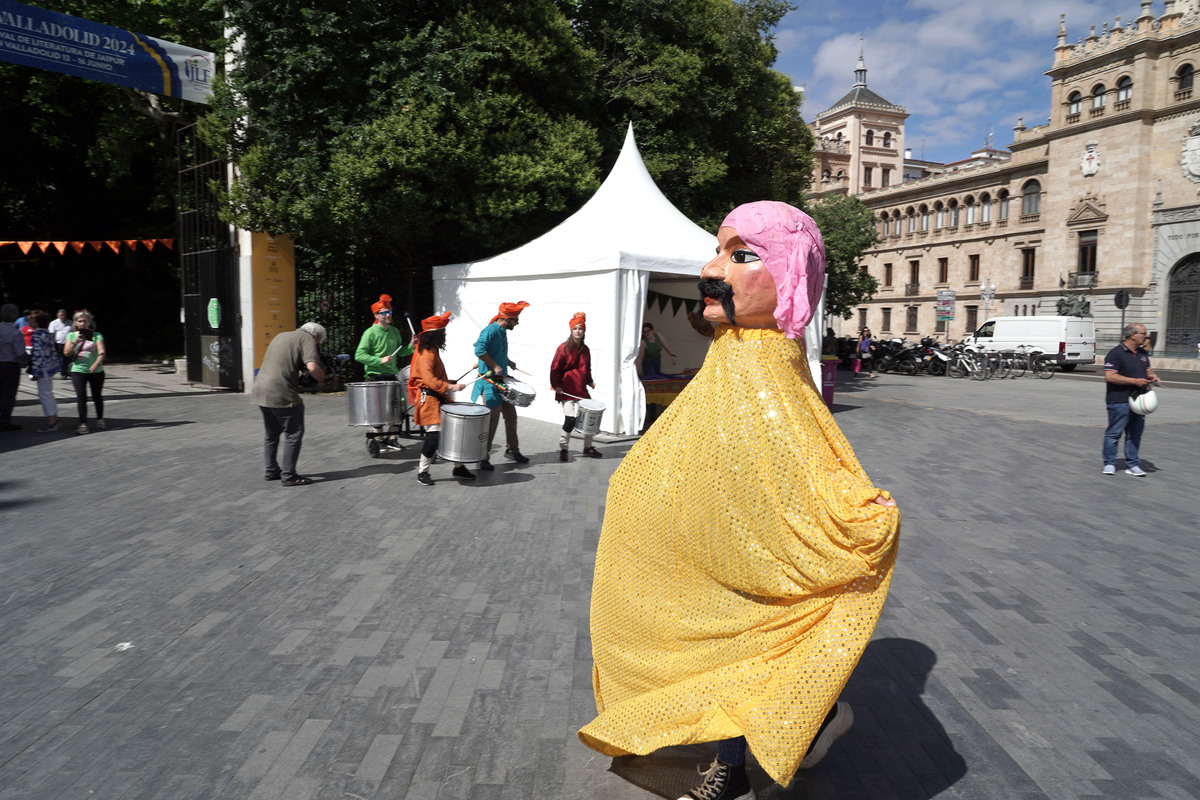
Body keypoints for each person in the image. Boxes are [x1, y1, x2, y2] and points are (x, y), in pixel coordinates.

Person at [579, 202, 900, 799]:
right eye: (718, 250)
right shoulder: (729, 358)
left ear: (793, 278)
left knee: (746, 653)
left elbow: (803, 452)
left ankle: (738, 762)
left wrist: (860, 519)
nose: (712, 269)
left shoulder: (771, 366)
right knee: (728, 658)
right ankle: (810, 723)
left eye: (741, 256)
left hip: (750, 564)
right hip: (713, 556)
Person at [251, 322, 327, 486]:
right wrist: (322, 378)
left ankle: (271, 470)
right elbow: (312, 367)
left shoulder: (281, 335)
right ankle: (289, 475)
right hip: (281, 391)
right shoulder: (307, 339)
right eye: (318, 343)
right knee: (293, 433)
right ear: (316, 336)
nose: (317, 345)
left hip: (261, 388)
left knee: (271, 433)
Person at [408, 311, 474, 486]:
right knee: (433, 436)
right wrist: (451, 386)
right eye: (442, 332)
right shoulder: (427, 354)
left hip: (437, 396)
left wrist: (447, 382)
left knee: (454, 432)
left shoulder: (432, 350)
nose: (444, 335)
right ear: (435, 335)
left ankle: (458, 467)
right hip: (429, 399)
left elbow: (434, 377)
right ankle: (422, 472)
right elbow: (429, 380)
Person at [472, 300, 530, 470]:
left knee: (511, 418)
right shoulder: (489, 331)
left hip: (503, 383)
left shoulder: (503, 331)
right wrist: (495, 366)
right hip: (490, 382)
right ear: (506, 318)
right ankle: (482, 456)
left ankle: (512, 450)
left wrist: (507, 361)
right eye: (516, 320)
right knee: (491, 421)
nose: (517, 323)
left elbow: (497, 352)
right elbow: (479, 350)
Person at [1102, 322, 1161, 477]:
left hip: (1139, 400)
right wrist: (1134, 381)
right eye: (1144, 333)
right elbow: (1110, 376)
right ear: (1133, 335)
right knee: (1114, 433)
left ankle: (1133, 464)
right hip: (1119, 399)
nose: (1146, 336)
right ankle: (1109, 463)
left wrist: (1152, 375)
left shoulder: (1142, 353)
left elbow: (1147, 369)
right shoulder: (1115, 353)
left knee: (1135, 434)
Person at [355, 294, 415, 440]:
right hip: (376, 375)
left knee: (398, 408)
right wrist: (379, 360)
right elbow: (359, 355)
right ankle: (378, 440)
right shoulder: (369, 333)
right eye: (384, 313)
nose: (388, 315)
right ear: (376, 315)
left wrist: (411, 347)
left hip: (392, 375)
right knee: (379, 411)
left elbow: (400, 352)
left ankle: (392, 439)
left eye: (389, 312)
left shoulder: (394, 331)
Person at [550, 312, 602, 461]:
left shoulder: (585, 349)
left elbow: (587, 367)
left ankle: (588, 447)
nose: (578, 331)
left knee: (591, 415)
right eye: (575, 328)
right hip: (566, 388)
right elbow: (554, 368)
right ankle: (564, 448)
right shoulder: (563, 348)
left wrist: (590, 381)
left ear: (584, 331)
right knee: (570, 419)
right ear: (571, 330)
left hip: (580, 388)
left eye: (580, 328)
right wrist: (556, 385)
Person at [63, 310, 106, 435]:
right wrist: (75, 342)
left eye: (84, 321)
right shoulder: (71, 336)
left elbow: (102, 352)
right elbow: (66, 353)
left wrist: (96, 363)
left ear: (89, 322)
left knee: (96, 396)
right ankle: (83, 424)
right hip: (78, 370)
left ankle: (100, 418)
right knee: (81, 397)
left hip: (96, 370)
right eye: (79, 321)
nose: (82, 323)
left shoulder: (97, 335)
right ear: (76, 323)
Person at [26, 310, 61, 432]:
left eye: (31, 319)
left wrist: (34, 372)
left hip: (43, 370)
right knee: (49, 395)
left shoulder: (37, 335)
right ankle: (54, 419)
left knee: (45, 396)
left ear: (37, 322)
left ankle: (51, 422)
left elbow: (38, 355)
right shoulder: (47, 334)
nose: (29, 321)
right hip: (50, 368)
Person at [0, 303, 24, 432]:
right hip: (9, 366)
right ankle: (4, 421)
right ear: (15, 316)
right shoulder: (15, 333)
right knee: (8, 395)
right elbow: (20, 354)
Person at [49, 309, 72, 378]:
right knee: (61, 358)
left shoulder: (70, 323)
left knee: (68, 359)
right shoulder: (54, 323)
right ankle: (63, 373)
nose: (62, 317)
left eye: (63, 315)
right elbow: (51, 333)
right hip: (59, 343)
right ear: (57, 315)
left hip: (68, 343)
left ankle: (66, 371)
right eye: (60, 315)